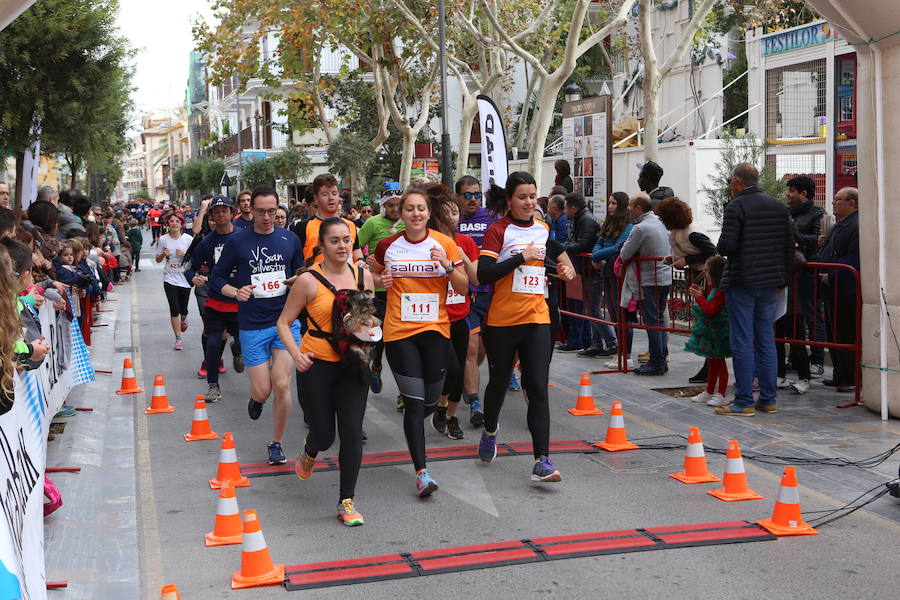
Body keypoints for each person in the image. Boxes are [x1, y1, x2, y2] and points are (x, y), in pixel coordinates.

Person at [475, 172, 576, 483]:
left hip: (537, 319)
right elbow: (484, 274)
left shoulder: (542, 228)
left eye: (533, 196)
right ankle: (490, 428)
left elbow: (557, 250)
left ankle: (542, 460)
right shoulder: (498, 231)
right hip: (502, 322)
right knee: (498, 384)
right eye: (522, 197)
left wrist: (566, 267)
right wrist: (520, 256)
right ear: (509, 200)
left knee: (537, 387)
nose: (529, 202)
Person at [370, 185, 468, 497]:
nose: (415, 214)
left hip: (436, 330)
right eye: (409, 208)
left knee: (429, 399)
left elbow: (464, 288)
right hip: (400, 332)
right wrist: (378, 280)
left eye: (421, 209)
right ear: (400, 212)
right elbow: (369, 275)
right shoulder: (388, 245)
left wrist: (448, 266)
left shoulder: (444, 244)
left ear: (429, 213)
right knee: (413, 403)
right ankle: (422, 472)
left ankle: (425, 417)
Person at [277, 217, 375, 526]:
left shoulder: (363, 276)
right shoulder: (308, 281)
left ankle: (347, 500)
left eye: (346, 239)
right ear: (321, 245)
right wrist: (295, 354)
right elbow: (283, 322)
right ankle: (310, 449)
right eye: (335, 240)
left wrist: (370, 335)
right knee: (324, 435)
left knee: (352, 433)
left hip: (352, 364)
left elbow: (368, 320)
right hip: (315, 364)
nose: (343, 245)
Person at [210, 186, 303, 464]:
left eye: (271, 212)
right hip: (252, 325)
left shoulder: (289, 239)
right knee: (264, 390)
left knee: (283, 385)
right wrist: (235, 292)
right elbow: (217, 277)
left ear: (278, 210)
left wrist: (298, 280)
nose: (266, 217)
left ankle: (276, 443)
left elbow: (301, 270)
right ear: (250, 211)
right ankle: (257, 398)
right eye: (260, 211)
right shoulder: (238, 242)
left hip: (285, 323)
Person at [715, 163, 793, 416]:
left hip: (743, 281)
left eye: (729, 181)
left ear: (738, 181)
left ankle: (744, 401)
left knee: (742, 341)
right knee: (766, 340)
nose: (729, 186)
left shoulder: (736, 206)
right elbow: (787, 248)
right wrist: (783, 280)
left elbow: (726, 246)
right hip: (770, 283)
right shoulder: (779, 207)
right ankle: (768, 399)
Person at [425, 184, 479, 441]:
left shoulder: (466, 242)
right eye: (448, 212)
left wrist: (461, 258)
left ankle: (450, 414)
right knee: (449, 370)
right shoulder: (428, 243)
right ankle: (439, 403)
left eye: (456, 212)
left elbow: (477, 279)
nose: (453, 217)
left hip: (460, 315)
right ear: (437, 215)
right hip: (436, 317)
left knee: (458, 372)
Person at [185, 196, 245, 403]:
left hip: (242, 301)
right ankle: (213, 386)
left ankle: (237, 350)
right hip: (216, 302)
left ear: (232, 212)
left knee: (243, 342)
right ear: (211, 215)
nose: (221, 214)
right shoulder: (206, 242)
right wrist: (194, 277)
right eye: (216, 211)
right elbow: (189, 266)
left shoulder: (244, 236)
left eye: (224, 210)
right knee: (212, 344)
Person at [456, 175, 497, 427]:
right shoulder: (451, 220)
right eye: (467, 195)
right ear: (458, 197)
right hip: (464, 293)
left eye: (476, 194)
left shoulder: (492, 218)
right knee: (471, 347)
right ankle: (474, 403)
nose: (472, 200)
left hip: (491, 292)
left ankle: (467, 377)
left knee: (481, 349)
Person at [358, 184, 405, 395]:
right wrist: (362, 262)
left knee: (402, 341)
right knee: (381, 337)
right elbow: (355, 245)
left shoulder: (408, 222)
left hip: (405, 290)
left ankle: (404, 392)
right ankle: (376, 366)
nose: (395, 209)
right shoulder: (373, 223)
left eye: (398, 205)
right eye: (391, 205)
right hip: (380, 291)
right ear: (383, 205)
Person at [618, 193, 672, 375]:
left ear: (638, 208)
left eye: (630, 205)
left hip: (652, 278)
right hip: (665, 276)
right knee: (658, 319)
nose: (628, 209)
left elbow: (625, 254)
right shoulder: (660, 222)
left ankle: (657, 361)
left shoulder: (641, 228)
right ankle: (660, 356)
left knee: (652, 321)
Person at [819, 187, 860, 402]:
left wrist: (832, 276)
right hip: (832, 291)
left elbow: (854, 258)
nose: (834, 203)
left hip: (845, 290)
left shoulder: (857, 224)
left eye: (838, 200)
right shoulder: (839, 225)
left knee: (845, 333)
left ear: (852, 203)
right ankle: (839, 374)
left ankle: (849, 377)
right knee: (833, 334)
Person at [786, 175, 826, 378]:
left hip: (809, 271)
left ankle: (817, 360)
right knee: (794, 317)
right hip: (793, 272)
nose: (788, 195)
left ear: (803, 194)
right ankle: (795, 357)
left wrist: (796, 236)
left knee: (812, 315)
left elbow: (819, 240)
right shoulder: (787, 213)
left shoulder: (818, 213)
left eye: (792, 191)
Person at [589, 192, 633, 363]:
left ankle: (625, 354)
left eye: (614, 203)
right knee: (613, 315)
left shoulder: (628, 226)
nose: (610, 206)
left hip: (619, 274)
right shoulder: (609, 222)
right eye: (609, 203)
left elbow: (617, 247)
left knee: (622, 315)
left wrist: (597, 256)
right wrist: (596, 255)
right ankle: (620, 352)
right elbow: (600, 241)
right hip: (607, 273)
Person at [685, 256, 732, 407]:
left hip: (718, 332)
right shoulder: (715, 289)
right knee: (712, 361)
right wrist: (702, 295)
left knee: (719, 363)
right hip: (713, 330)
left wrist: (699, 298)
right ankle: (709, 391)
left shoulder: (721, 291)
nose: (704, 273)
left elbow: (710, 309)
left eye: (706, 270)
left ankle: (722, 394)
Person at [556, 192, 598, 353]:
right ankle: (579, 339)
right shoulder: (577, 218)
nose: (564, 211)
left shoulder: (585, 219)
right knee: (576, 304)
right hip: (577, 267)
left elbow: (584, 244)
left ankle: (581, 339)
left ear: (573, 207)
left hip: (583, 268)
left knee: (581, 307)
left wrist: (562, 248)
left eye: (566, 207)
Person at [291, 173, 363, 266]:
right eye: (325, 194)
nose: (331, 198)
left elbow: (356, 251)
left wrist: (360, 261)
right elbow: (296, 262)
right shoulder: (303, 226)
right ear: (316, 198)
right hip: (315, 279)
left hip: (347, 278)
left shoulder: (350, 225)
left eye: (334, 193)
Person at [155, 213, 193, 350]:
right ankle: (178, 339)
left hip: (185, 277)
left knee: (183, 308)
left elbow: (196, 259)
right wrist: (163, 255)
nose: (174, 223)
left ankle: (184, 317)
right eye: (171, 221)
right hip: (169, 277)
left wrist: (186, 255)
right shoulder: (163, 240)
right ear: (168, 224)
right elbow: (157, 260)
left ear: (181, 224)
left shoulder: (188, 239)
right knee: (174, 309)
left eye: (177, 221)